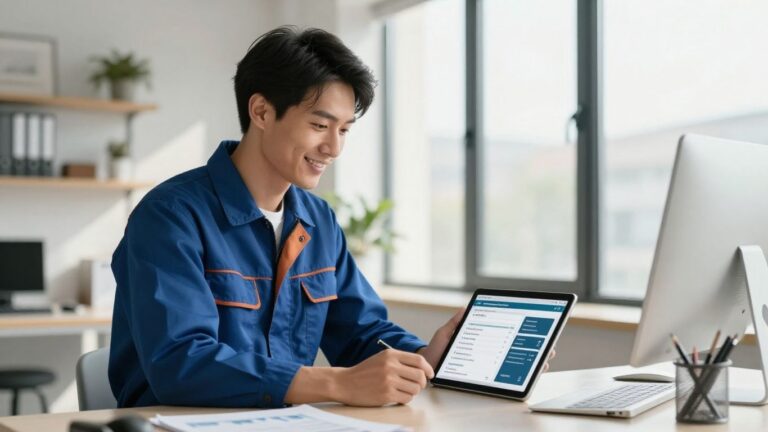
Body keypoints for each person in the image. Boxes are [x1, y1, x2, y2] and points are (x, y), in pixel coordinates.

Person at [109, 26, 551, 409]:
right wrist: (336, 383)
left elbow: (361, 334)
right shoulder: (170, 216)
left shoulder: (316, 221)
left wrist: (424, 358)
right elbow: (180, 362)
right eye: (320, 126)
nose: (334, 148)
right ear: (261, 111)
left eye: (344, 130)